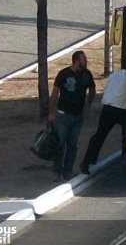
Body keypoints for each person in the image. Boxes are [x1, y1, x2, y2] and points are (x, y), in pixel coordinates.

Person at [48, 50, 96, 182]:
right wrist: (51, 113)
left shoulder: (87, 75)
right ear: (76, 60)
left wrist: (89, 103)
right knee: (60, 144)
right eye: (83, 59)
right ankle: (56, 172)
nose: (85, 61)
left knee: (73, 144)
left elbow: (92, 89)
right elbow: (54, 94)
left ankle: (67, 171)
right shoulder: (64, 74)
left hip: (78, 115)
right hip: (63, 115)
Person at [79, 69, 126, 175]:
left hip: (107, 108)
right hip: (122, 110)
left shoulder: (114, 75)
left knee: (99, 136)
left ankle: (86, 162)